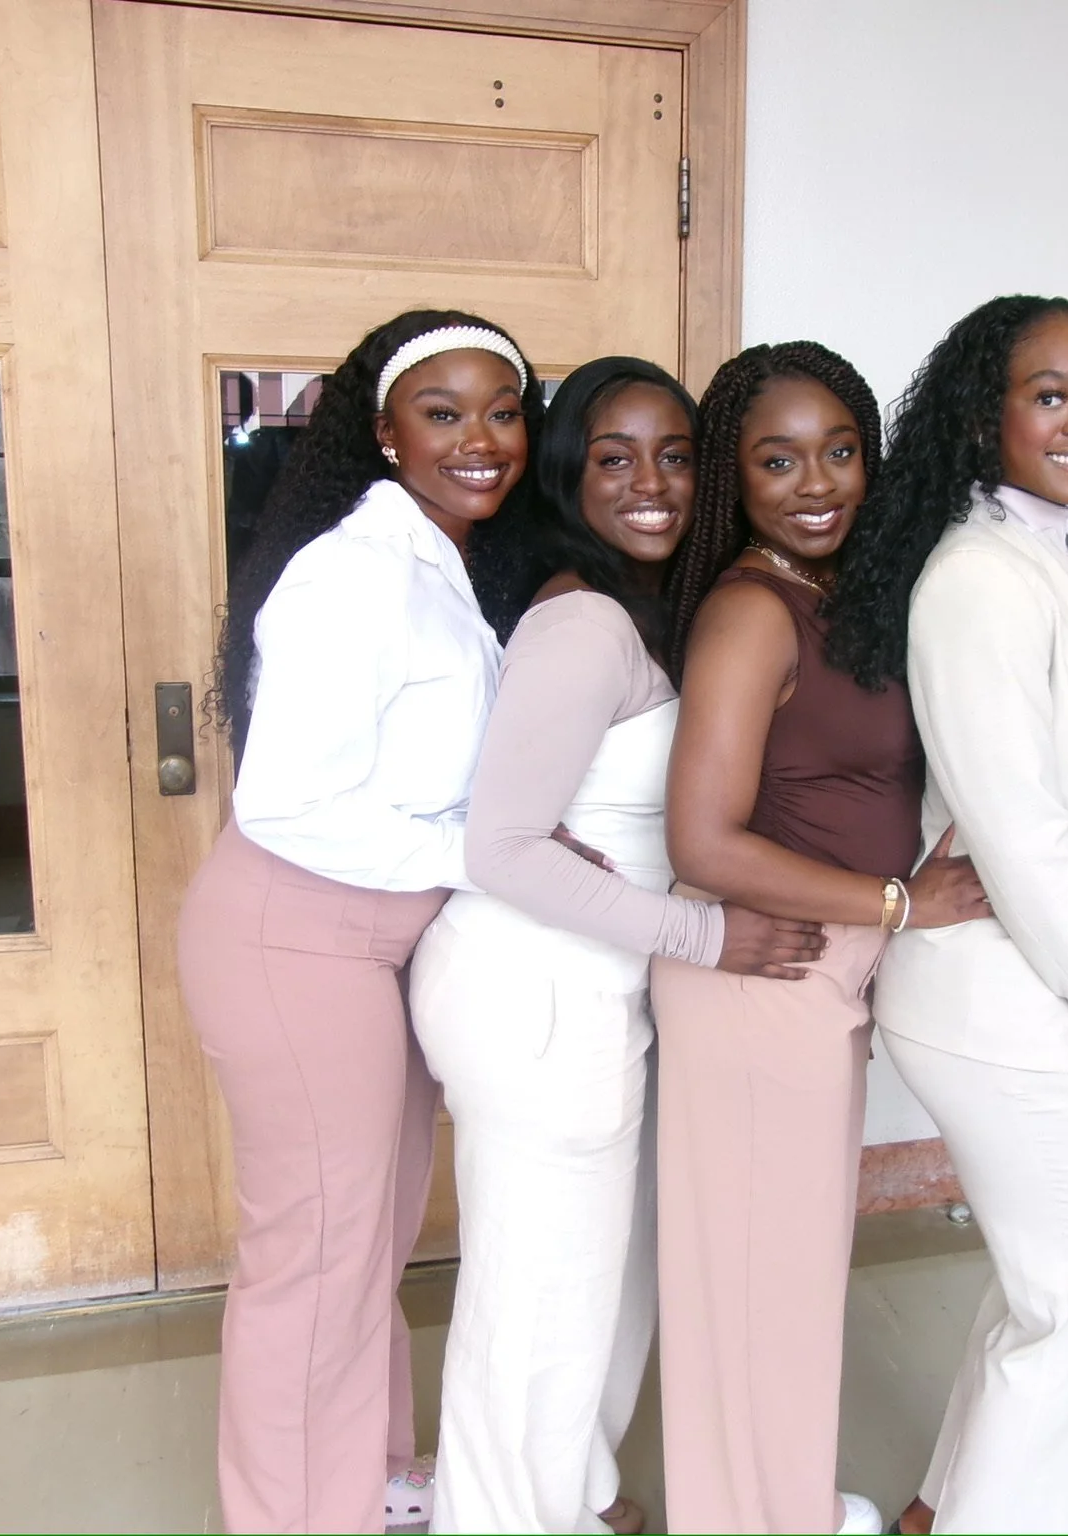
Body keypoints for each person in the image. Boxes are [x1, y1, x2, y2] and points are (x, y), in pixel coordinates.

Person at [409, 356, 827, 1535]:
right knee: (533, 1303)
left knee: (595, 1286)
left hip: (579, 990)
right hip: (535, 995)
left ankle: (574, 1498)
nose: (651, 483)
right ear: (565, 473)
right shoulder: (584, 622)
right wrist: (705, 932)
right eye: (613, 457)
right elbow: (501, 847)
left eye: (676, 456)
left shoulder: (626, 610)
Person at [176, 310, 541, 1534]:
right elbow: (285, 803)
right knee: (313, 1261)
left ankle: (372, 1479)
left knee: (364, 1246)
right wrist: (493, 863)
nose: (480, 440)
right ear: (385, 434)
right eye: (443, 414)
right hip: (297, 936)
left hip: (377, 941)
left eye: (503, 412)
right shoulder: (354, 573)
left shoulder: (438, 562)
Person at [827, 295, 1068, 1535]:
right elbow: (1023, 835)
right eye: (1048, 394)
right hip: (998, 994)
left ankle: (939, 1510)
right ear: (987, 415)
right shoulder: (979, 577)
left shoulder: (1042, 553)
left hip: (1019, 985)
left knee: (1043, 1287)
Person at [650, 342, 991, 1535]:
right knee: (751, 1287)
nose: (815, 482)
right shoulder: (750, 610)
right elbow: (701, 840)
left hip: (817, 980)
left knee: (780, 1283)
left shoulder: (843, 594)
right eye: (777, 458)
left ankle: (775, 1506)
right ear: (733, 479)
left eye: (839, 450)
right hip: (766, 987)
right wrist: (900, 904)